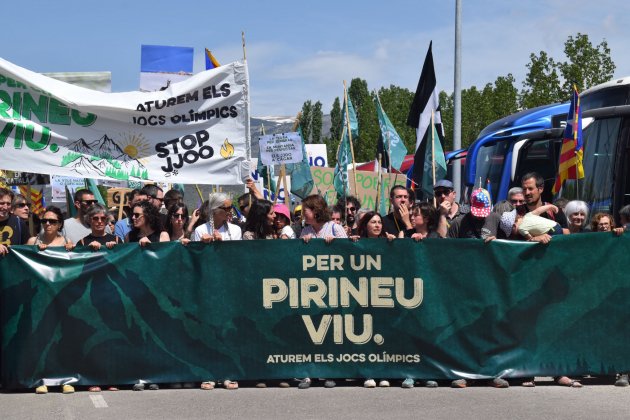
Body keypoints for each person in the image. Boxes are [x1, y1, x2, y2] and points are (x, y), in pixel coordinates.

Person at [517, 172, 568, 243]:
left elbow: (567, 234)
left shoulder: (554, 211)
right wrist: (534, 239)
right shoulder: (516, 212)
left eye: (530, 188)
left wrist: (549, 233)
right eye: (524, 189)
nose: (527, 193)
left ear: (540, 189)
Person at [0, 187, 30, 256]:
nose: (5, 207)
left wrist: (38, 243)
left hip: (11, 266)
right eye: (2, 203)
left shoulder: (19, 223)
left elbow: (28, 246)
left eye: (8, 204)